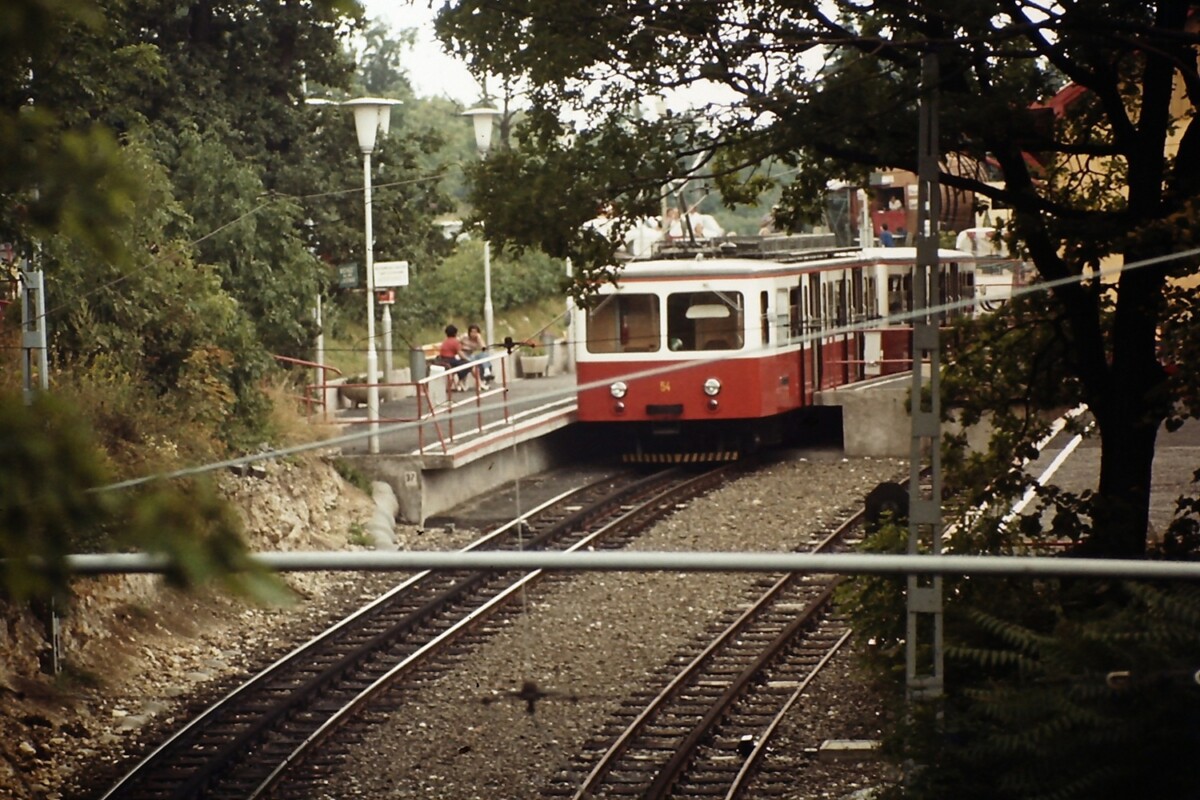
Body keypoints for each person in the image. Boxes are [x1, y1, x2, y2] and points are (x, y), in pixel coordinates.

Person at [433, 324, 469, 389]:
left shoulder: (445, 341)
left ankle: (458, 382)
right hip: (450, 360)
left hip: (442, 360)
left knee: (460, 363)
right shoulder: (455, 341)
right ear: (455, 333)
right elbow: (460, 353)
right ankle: (460, 380)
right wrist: (467, 359)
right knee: (468, 365)